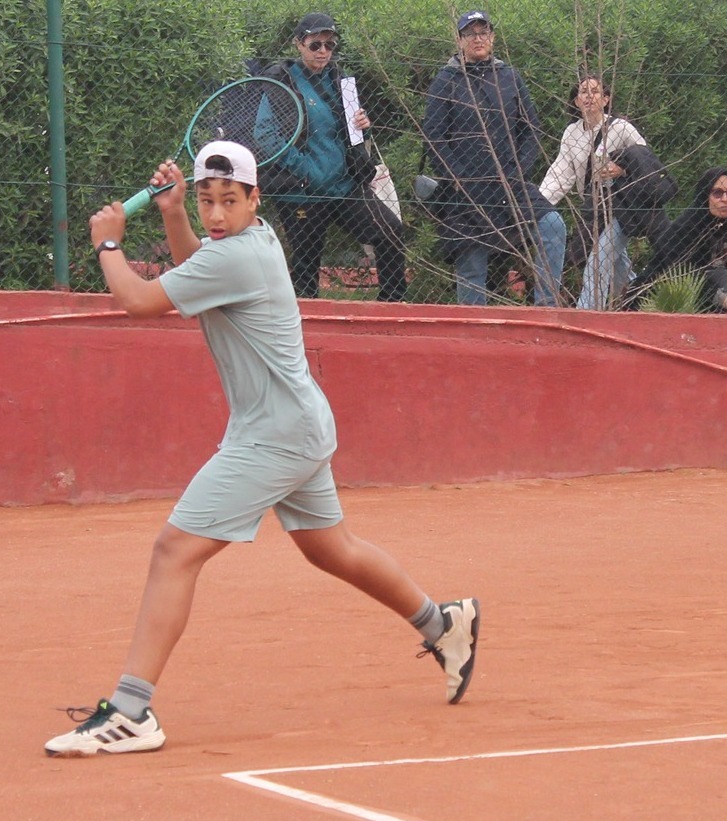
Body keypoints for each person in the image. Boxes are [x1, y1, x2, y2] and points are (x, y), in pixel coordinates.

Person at [43, 141, 480, 757]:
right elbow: (197, 265)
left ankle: (132, 710)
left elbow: (140, 301)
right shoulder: (248, 245)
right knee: (332, 550)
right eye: (206, 200)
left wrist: (107, 243)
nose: (216, 214)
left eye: (229, 201)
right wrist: (173, 216)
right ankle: (443, 623)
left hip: (275, 434)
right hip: (293, 424)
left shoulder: (239, 256)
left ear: (255, 199)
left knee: (174, 550)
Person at [259, 12, 406, 301]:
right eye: (315, 45)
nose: (323, 51)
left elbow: (355, 137)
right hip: (302, 191)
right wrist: (305, 169)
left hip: (345, 186)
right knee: (306, 264)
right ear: (299, 45)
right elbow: (265, 135)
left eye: (329, 45)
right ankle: (303, 329)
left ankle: (392, 306)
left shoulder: (343, 82)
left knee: (390, 232)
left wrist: (363, 126)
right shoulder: (281, 82)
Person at [421, 10, 565, 306]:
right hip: (466, 190)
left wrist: (517, 170)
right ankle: (474, 331)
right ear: (459, 40)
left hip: (509, 185)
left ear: (493, 38)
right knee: (472, 264)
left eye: (483, 32)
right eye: (471, 34)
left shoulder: (510, 76)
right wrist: (458, 178)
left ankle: (547, 311)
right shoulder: (445, 81)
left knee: (552, 224)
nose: (478, 38)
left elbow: (531, 128)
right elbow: (434, 138)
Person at [540, 75, 666, 310]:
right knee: (617, 265)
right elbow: (560, 173)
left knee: (597, 262)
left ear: (606, 99)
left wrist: (622, 169)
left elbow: (646, 161)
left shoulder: (621, 128)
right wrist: (538, 204)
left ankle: (584, 316)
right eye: (583, 92)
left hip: (621, 206)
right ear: (576, 101)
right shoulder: (571, 133)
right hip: (594, 208)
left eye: (595, 92)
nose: (589, 96)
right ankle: (640, 307)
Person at [625, 167, 727, 316]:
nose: (725, 199)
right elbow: (683, 275)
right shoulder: (686, 227)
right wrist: (725, 300)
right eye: (717, 193)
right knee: (722, 276)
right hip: (683, 296)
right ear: (705, 195)